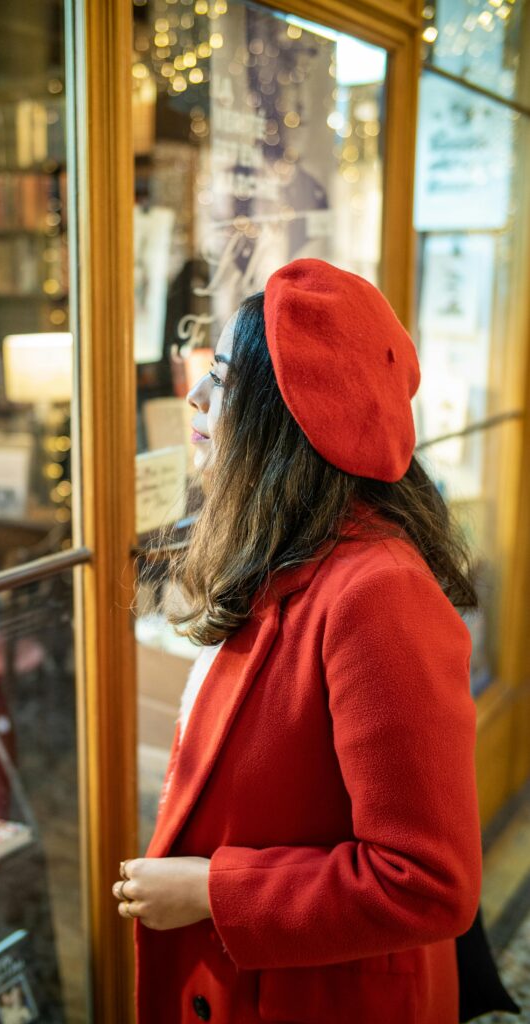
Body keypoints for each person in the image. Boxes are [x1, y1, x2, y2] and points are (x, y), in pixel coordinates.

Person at [113, 258, 482, 1024]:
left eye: (222, 381)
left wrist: (211, 891)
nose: (196, 396)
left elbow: (429, 880)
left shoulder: (377, 594)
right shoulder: (293, 551)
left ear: (289, 416)